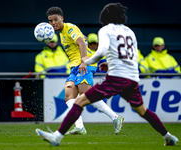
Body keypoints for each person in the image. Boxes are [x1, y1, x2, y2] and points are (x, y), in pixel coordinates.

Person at [35, 3, 179, 146]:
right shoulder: (129, 31)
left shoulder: (104, 30)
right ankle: (168, 136)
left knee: (81, 100)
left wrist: (87, 61)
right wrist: (109, 64)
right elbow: (130, 55)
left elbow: (100, 50)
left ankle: (58, 137)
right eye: (50, 20)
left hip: (113, 76)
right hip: (131, 77)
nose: (53, 23)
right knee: (143, 110)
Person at [41, 6, 124, 135]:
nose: (53, 23)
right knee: (69, 96)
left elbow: (81, 42)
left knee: (86, 94)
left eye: (55, 19)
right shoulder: (63, 33)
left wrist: (84, 60)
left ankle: (115, 117)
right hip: (75, 66)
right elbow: (82, 39)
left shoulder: (69, 28)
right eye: (50, 21)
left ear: (61, 18)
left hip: (84, 64)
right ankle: (79, 126)